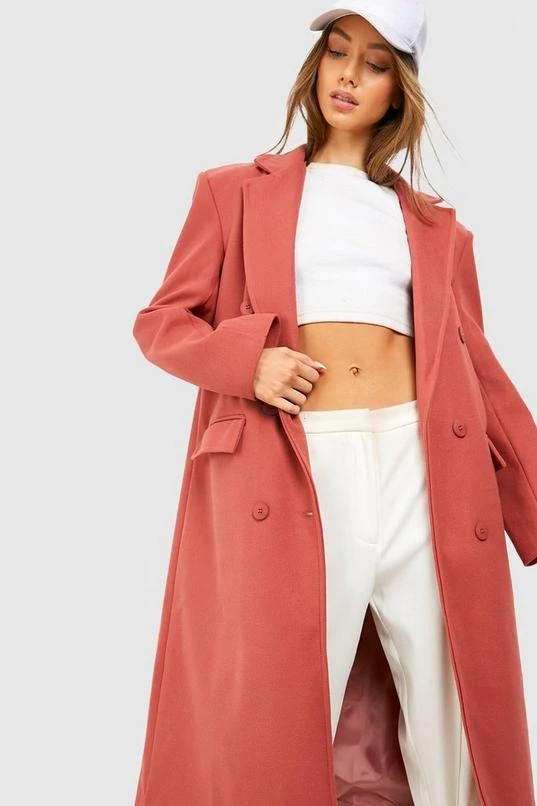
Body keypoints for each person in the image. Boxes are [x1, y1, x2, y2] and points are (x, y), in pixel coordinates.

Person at [131, 1, 537, 804]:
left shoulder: (437, 230)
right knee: (283, 695)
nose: (348, 75)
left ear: (398, 90)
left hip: (424, 467)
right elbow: (161, 322)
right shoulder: (231, 192)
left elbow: (479, 373)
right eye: (337, 52)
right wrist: (248, 364)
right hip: (299, 465)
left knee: (447, 695)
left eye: (375, 63)